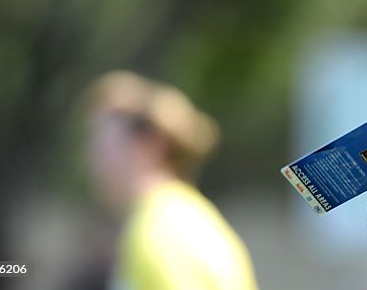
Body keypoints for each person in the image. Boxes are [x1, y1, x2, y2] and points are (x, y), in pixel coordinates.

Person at [84, 70, 259, 290]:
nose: (92, 157)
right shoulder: (186, 217)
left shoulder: (159, 234)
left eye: (101, 141)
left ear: (148, 145)